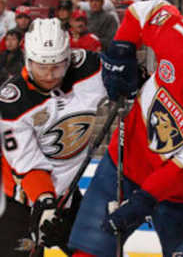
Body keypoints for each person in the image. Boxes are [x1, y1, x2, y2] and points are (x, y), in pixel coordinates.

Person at [67, 0, 183, 256]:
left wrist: (143, 201)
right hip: (125, 164)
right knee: (87, 252)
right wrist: (122, 49)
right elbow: (145, 11)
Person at [0, 18, 107, 256]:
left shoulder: (88, 69)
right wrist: (45, 203)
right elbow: (27, 166)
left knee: (94, 251)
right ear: (28, 60)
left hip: (67, 195)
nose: (49, 75)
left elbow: (120, 72)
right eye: (41, 67)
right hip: (20, 202)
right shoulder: (11, 103)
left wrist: (130, 76)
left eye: (57, 66)